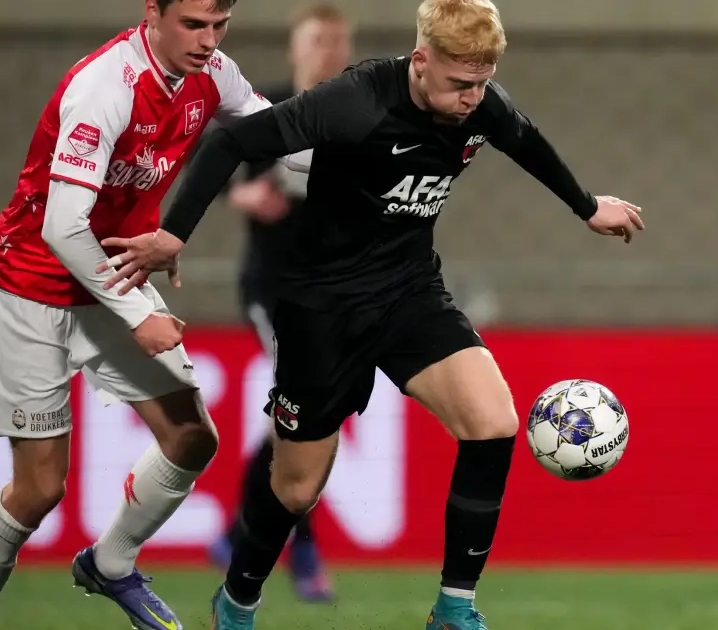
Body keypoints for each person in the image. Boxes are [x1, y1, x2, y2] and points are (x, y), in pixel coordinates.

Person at [98, 0, 644, 627]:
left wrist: (586, 206)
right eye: (460, 84)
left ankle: (454, 607)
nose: (472, 98)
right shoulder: (353, 102)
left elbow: (525, 141)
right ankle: (238, 600)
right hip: (321, 309)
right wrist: (173, 233)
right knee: (297, 486)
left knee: (493, 422)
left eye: (482, 83)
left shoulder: (480, 101)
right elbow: (230, 141)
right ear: (421, 60)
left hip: (410, 293)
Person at [0, 2, 309, 629]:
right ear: (152, 12)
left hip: (109, 277)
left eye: (219, 26)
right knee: (40, 488)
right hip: (28, 288)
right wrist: (137, 314)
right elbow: (61, 227)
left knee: (192, 438)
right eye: (193, 24)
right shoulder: (104, 88)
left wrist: (372, 160)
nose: (208, 41)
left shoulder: (213, 74)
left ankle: (110, 563)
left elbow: (283, 138)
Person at [206, 2, 353, 603]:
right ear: (295, 48)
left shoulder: (359, 115)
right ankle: (304, 552)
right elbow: (210, 158)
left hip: (331, 293)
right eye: (317, 40)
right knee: (307, 406)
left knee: (301, 414)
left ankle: (235, 533)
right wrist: (241, 196)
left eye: (337, 41)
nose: (328, 51)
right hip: (272, 288)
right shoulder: (267, 110)